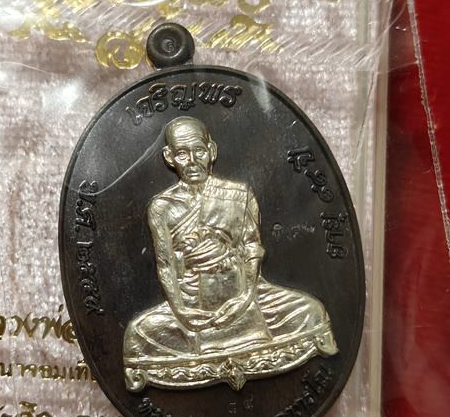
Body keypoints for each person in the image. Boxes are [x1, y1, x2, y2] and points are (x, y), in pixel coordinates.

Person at [123, 116, 337, 392]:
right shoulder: (162, 207)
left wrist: (245, 298)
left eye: (199, 151)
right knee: (137, 335)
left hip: (245, 293)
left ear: (211, 150)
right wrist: (182, 311)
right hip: (191, 302)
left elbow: (251, 248)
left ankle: (224, 348)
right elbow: (165, 265)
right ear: (169, 157)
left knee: (310, 311)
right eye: (182, 154)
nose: (192, 161)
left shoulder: (238, 194)